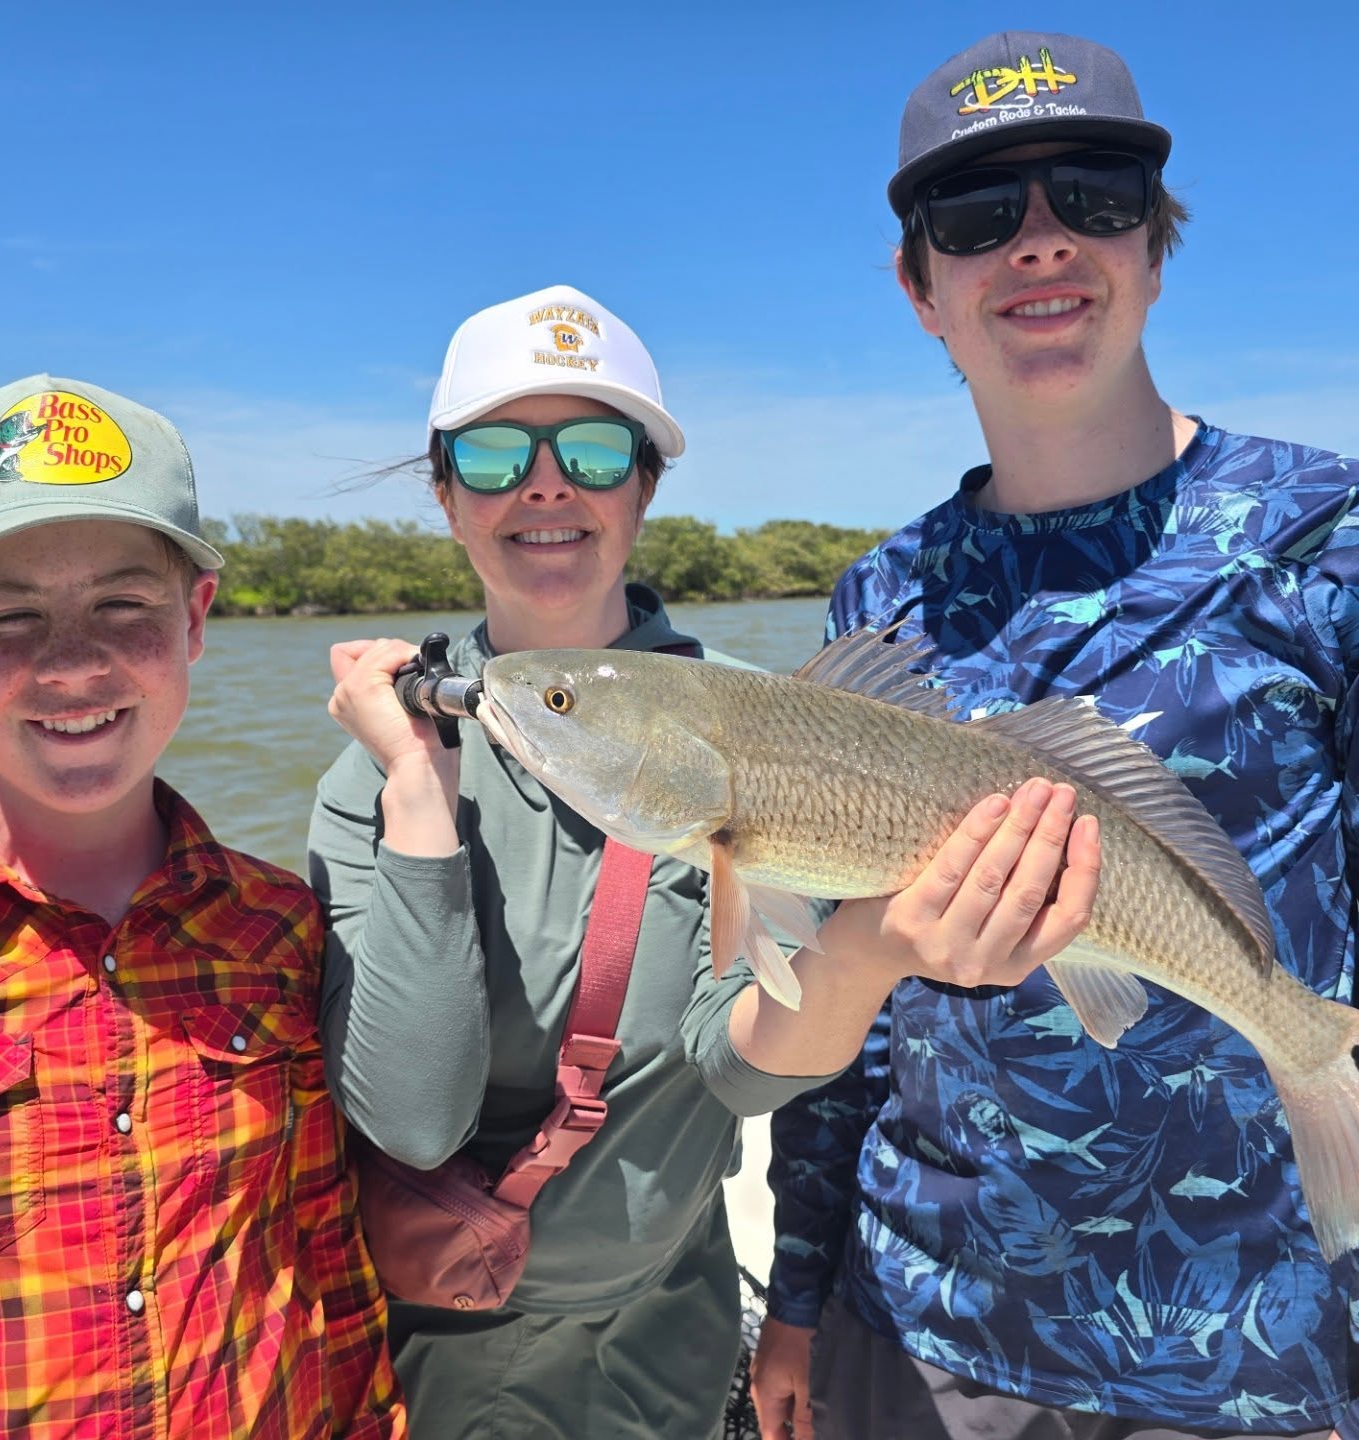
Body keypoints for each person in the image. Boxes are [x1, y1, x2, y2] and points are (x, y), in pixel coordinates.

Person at [308, 282, 1098, 1438]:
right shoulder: (368, 774)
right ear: (442, 491)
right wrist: (419, 797)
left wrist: (871, 950)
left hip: (669, 1342)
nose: (545, 484)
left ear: (644, 485)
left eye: (591, 446)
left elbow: (744, 1072)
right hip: (440, 1349)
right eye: (491, 453)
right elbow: (414, 1123)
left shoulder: (768, 726)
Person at [753, 29, 1358, 1440]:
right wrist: (795, 1296)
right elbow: (844, 1016)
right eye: (975, 218)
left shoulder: (1327, 542)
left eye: (1091, 197)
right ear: (921, 291)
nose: (1038, 244)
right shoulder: (881, 599)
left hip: (1262, 1351)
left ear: (1154, 247)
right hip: (935, 1335)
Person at [0, 375, 406, 1439]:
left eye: (123, 605)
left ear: (193, 619)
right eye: (8, 617)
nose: (74, 661)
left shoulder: (280, 927)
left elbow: (328, 1262)